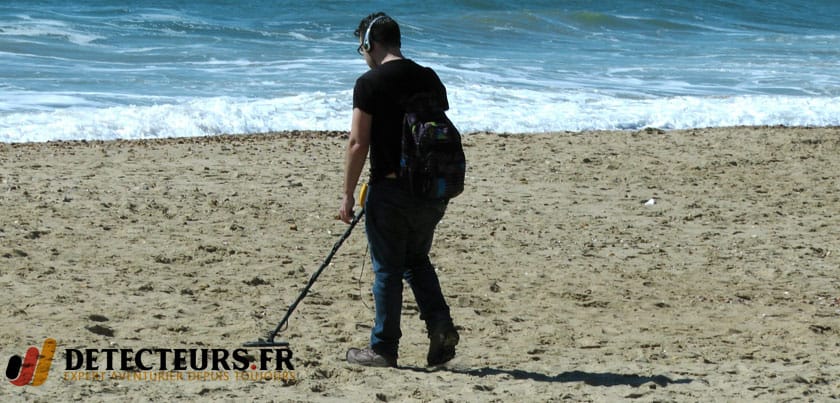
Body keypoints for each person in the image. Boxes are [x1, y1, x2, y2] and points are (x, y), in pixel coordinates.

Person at [339, 12, 459, 368]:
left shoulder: (369, 83)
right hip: (431, 189)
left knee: (388, 268)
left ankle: (383, 348)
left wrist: (347, 194)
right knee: (416, 260)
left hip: (390, 190)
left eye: (361, 47)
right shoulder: (429, 78)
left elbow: (358, 143)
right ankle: (441, 325)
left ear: (369, 44)